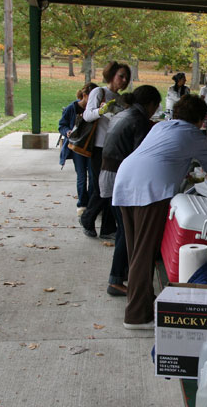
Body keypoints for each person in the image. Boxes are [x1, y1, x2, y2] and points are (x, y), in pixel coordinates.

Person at [113, 95, 207, 328]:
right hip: (151, 189)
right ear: (201, 120)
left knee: (136, 252)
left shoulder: (161, 126)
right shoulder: (195, 135)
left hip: (126, 179)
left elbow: (166, 155)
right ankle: (136, 316)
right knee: (144, 254)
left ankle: (143, 302)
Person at [100, 85, 161, 297]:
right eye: (156, 107)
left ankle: (121, 275)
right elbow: (142, 156)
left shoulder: (124, 113)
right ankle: (116, 280)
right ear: (150, 104)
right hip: (118, 177)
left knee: (126, 230)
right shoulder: (139, 120)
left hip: (108, 174)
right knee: (128, 232)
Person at [80, 61, 131, 239]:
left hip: (116, 148)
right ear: (111, 75)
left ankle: (108, 228)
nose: (124, 80)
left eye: (126, 77)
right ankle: (87, 219)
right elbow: (87, 115)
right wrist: (101, 110)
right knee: (100, 188)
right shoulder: (99, 92)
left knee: (112, 188)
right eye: (121, 76)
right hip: (99, 147)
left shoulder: (121, 99)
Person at [59, 83, 98, 216]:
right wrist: (67, 132)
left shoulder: (96, 110)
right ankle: (82, 204)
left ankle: (92, 205)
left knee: (93, 177)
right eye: (92, 97)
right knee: (81, 177)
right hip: (77, 148)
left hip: (91, 147)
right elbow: (62, 125)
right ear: (85, 95)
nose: (95, 101)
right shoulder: (72, 108)